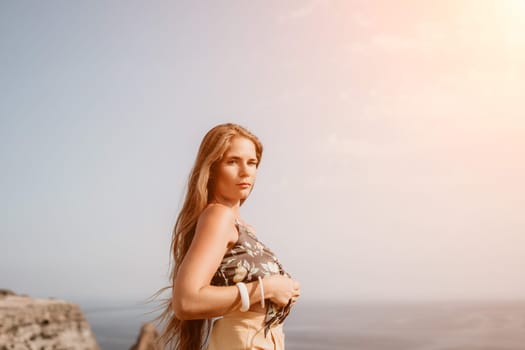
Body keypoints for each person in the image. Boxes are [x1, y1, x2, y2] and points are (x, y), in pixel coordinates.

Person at [151, 123, 301, 350]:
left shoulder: (241, 226)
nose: (246, 171)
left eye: (252, 163)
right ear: (211, 169)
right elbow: (186, 301)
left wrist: (283, 289)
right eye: (233, 161)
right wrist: (267, 288)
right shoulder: (218, 216)